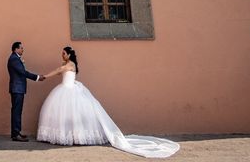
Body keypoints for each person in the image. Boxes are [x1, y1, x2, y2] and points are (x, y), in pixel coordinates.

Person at [36, 47, 180, 158]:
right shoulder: (68, 63)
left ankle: (75, 137)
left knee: (73, 114)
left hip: (69, 90)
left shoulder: (69, 64)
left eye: (64, 53)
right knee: (67, 116)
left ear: (69, 54)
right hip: (66, 89)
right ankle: (71, 136)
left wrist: (43, 76)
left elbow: (58, 70)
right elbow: (60, 69)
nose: (62, 55)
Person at [7, 41, 45, 142]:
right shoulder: (14, 59)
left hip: (18, 89)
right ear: (16, 49)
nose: (23, 49)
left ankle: (17, 132)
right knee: (16, 111)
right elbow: (23, 73)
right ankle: (15, 134)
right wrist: (37, 77)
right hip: (17, 89)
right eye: (21, 48)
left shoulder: (15, 58)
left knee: (17, 111)